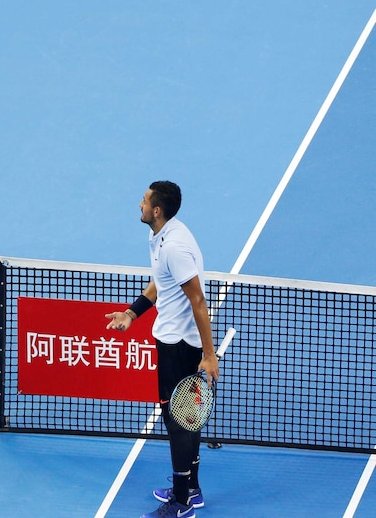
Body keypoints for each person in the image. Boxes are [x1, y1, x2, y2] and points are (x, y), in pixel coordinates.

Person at [104, 181, 219, 518]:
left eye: (144, 200)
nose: (139, 204)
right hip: (173, 339)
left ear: (157, 210)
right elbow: (161, 281)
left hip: (179, 345)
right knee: (185, 417)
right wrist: (131, 313)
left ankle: (181, 504)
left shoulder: (174, 247)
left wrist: (209, 354)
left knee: (178, 422)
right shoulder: (163, 235)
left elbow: (198, 301)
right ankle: (191, 489)